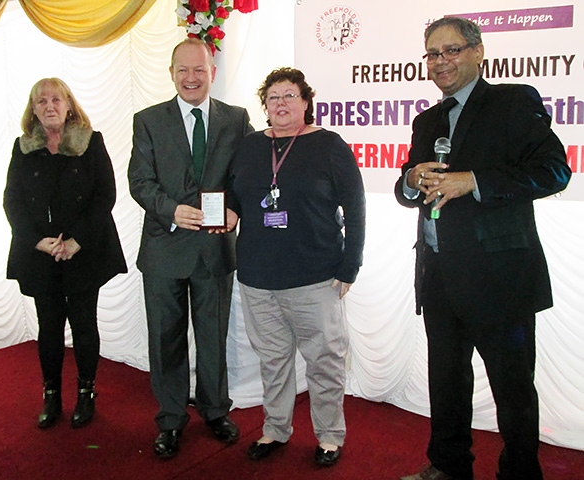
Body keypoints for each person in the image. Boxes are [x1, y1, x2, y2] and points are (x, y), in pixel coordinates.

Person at [394, 17, 571, 480]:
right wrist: (412, 179)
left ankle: (519, 472)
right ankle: (449, 466)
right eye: (433, 54)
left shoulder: (512, 103)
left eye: (451, 51)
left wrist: (472, 182)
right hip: (438, 277)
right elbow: (405, 183)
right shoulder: (427, 120)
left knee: (513, 390)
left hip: (500, 280)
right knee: (446, 384)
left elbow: (554, 171)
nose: (441, 62)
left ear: (478, 52)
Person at [229, 67, 366, 467]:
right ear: (265, 106)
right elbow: (236, 196)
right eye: (274, 97)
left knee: (324, 362)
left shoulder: (329, 145)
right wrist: (228, 214)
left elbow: (355, 209)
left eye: (291, 95)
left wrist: (349, 267)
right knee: (273, 361)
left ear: (306, 102)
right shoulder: (250, 146)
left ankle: (329, 436)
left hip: (315, 276)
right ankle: (275, 429)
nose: (282, 103)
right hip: (257, 276)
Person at [128, 38, 254, 459]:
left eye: (198, 69)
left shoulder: (236, 120)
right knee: (165, 339)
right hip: (164, 248)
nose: (191, 78)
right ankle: (170, 417)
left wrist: (235, 209)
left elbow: (247, 176)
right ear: (171, 73)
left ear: (212, 72)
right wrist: (171, 210)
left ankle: (216, 410)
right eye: (182, 70)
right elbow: (139, 181)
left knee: (214, 336)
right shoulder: (147, 120)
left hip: (215, 249)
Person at [3, 77, 127, 429]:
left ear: (69, 105)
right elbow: (11, 201)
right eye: (41, 101)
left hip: (84, 251)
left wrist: (76, 241)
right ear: (33, 109)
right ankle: (52, 394)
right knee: (49, 328)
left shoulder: (91, 143)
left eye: (56, 99)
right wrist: (37, 240)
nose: (49, 106)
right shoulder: (22, 147)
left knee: (85, 324)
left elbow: (105, 196)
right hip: (40, 253)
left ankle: (86, 393)